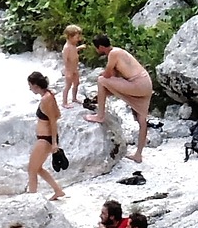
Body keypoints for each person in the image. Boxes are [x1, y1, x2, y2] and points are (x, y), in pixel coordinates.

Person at [87, 34, 153, 162]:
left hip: (137, 84)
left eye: (96, 48)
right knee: (142, 119)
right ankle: (138, 155)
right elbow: (114, 75)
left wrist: (102, 74)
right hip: (146, 84)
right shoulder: (119, 51)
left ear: (100, 47)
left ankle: (100, 116)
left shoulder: (113, 54)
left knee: (101, 81)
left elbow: (106, 75)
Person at [26, 72, 66, 200]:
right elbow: (57, 114)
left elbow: (53, 120)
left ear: (36, 85)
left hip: (46, 139)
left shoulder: (46, 99)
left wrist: (54, 143)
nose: (29, 88)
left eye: (30, 85)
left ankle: (31, 199)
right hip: (45, 138)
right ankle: (58, 190)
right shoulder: (49, 95)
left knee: (32, 169)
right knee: (37, 168)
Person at [61, 25, 84, 107]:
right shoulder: (66, 47)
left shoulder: (73, 45)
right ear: (70, 37)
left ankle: (74, 98)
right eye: (77, 37)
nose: (79, 39)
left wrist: (79, 48)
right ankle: (64, 102)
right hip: (69, 70)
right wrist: (66, 70)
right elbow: (65, 58)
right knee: (68, 86)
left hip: (75, 69)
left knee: (77, 83)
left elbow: (74, 51)